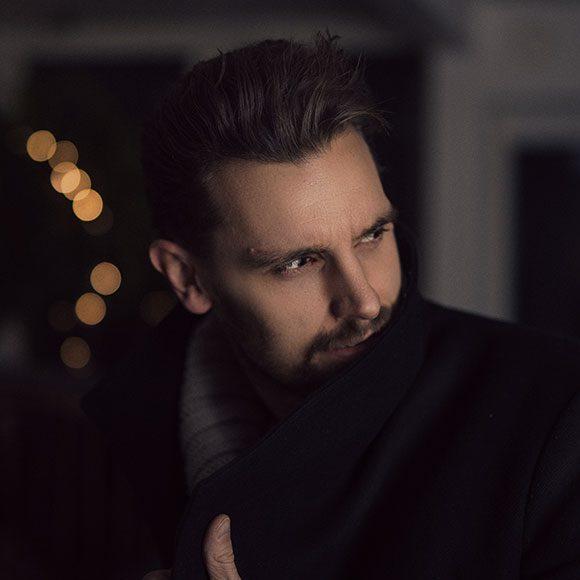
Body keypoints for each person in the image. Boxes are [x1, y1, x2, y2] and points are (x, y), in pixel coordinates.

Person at [81, 30, 580, 579]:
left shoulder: (555, 417)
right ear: (188, 278)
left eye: (373, 235)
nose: (364, 300)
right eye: (298, 263)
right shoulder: (98, 464)